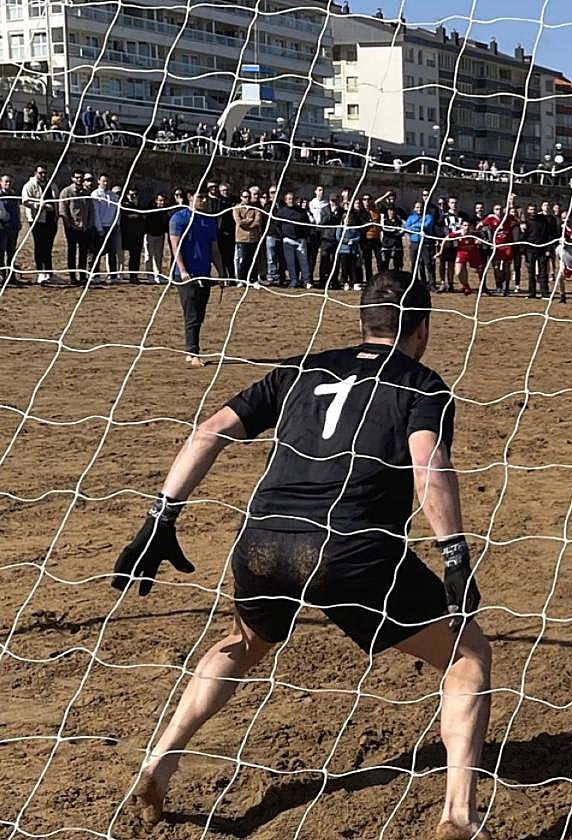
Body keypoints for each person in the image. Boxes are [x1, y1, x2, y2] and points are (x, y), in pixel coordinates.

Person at [112, 271, 492, 840]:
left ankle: (159, 760)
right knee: (468, 653)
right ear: (422, 328)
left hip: (264, 543)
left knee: (244, 644)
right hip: (350, 550)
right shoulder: (422, 383)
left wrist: (160, 519)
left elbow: (210, 429)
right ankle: (457, 817)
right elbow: (427, 466)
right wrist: (455, 554)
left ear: (364, 319)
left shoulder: (302, 368)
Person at [168, 190, 225, 368]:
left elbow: (214, 250)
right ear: (190, 197)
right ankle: (193, 352)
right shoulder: (179, 218)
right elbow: (175, 246)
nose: (204, 200)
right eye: (200, 197)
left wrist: (221, 273)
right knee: (191, 314)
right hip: (186, 276)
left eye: (206, 197)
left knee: (199, 314)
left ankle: (191, 349)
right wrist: (183, 270)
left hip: (204, 273)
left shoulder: (209, 221)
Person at [21, 164, 58, 283]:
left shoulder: (52, 185)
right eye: (41, 173)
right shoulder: (29, 185)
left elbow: (56, 201)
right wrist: (42, 206)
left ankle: (49, 272)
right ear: (35, 173)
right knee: (39, 246)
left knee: (49, 247)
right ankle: (40, 272)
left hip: (51, 220)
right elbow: (25, 201)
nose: (43, 175)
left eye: (45, 173)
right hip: (37, 220)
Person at [60, 170, 95, 283]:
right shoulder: (66, 192)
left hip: (84, 227)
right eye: (77, 177)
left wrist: (89, 224)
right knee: (72, 252)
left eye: (81, 178)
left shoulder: (86, 192)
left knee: (83, 253)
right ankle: (72, 276)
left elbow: (90, 209)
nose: (79, 180)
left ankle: (83, 275)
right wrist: (68, 225)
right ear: (72, 178)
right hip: (72, 228)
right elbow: (63, 210)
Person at [91, 174, 122, 282]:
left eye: (107, 181)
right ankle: (95, 275)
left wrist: (115, 224)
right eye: (103, 181)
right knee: (97, 252)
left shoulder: (113, 196)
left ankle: (113, 275)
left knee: (112, 252)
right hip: (100, 227)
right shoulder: (95, 194)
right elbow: (96, 213)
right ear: (98, 181)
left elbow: (116, 211)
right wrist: (99, 228)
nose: (105, 183)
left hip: (111, 227)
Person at [232, 188, 264, 286]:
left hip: (253, 238)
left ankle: (253, 279)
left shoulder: (256, 208)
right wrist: (249, 220)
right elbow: (239, 222)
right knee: (242, 260)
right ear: (241, 197)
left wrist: (247, 222)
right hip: (241, 238)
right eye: (245, 197)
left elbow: (258, 222)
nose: (247, 199)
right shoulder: (236, 208)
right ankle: (241, 280)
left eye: (249, 197)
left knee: (253, 260)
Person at [405, 200, 436, 290]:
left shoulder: (428, 216)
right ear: (414, 208)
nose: (419, 209)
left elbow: (426, 226)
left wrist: (414, 226)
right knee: (415, 264)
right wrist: (417, 227)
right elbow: (407, 227)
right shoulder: (411, 217)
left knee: (428, 264)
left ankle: (432, 284)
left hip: (425, 243)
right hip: (414, 243)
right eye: (417, 207)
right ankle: (415, 282)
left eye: (421, 207)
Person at [119, 187, 146, 283]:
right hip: (126, 235)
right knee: (120, 257)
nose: (133, 197)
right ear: (127, 196)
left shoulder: (141, 206)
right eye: (131, 195)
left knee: (135, 257)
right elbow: (124, 218)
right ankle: (118, 275)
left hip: (138, 236)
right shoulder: (123, 206)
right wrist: (137, 216)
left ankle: (134, 276)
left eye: (135, 195)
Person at [0, 173, 20, 284]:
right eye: (6, 181)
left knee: (11, 253)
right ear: (1, 182)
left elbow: (17, 209)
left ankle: (11, 276)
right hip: (2, 228)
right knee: (1, 253)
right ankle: (2, 276)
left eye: (10, 182)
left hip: (13, 227)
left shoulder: (13, 195)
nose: (8, 184)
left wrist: (19, 222)